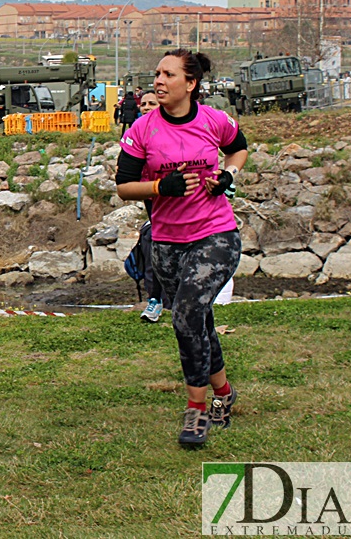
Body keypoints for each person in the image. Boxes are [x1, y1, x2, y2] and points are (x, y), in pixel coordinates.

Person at [115, 49, 248, 447]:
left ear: (190, 84)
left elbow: (238, 148)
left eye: (168, 74)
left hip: (216, 234)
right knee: (199, 320)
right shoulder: (142, 128)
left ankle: (197, 410)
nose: (158, 79)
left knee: (186, 315)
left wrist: (228, 174)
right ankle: (225, 394)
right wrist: (161, 187)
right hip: (167, 243)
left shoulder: (213, 120)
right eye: (157, 72)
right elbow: (124, 186)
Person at [135, 91, 165, 323]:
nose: (146, 107)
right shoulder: (136, 131)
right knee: (156, 242)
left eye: (151, 103)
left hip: (178, 194)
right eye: (143, 104)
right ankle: (155, 298)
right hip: (152, 193)